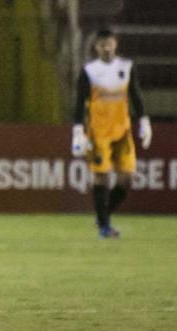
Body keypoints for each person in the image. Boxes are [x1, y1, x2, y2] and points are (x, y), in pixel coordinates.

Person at [72, 28, 152, 238]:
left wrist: (144, 120)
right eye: (102, 44)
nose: (106, 47)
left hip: (122, 132)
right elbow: (80, 102)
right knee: (101, 177)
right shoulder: (89, 70)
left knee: (126, 180)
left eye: (109, 43)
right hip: (98, 133)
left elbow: (135, 94)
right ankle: (105, 228)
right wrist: (78, 130)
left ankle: (102, 216)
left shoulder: (126, 67)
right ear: (96, 47)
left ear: (115, 44)